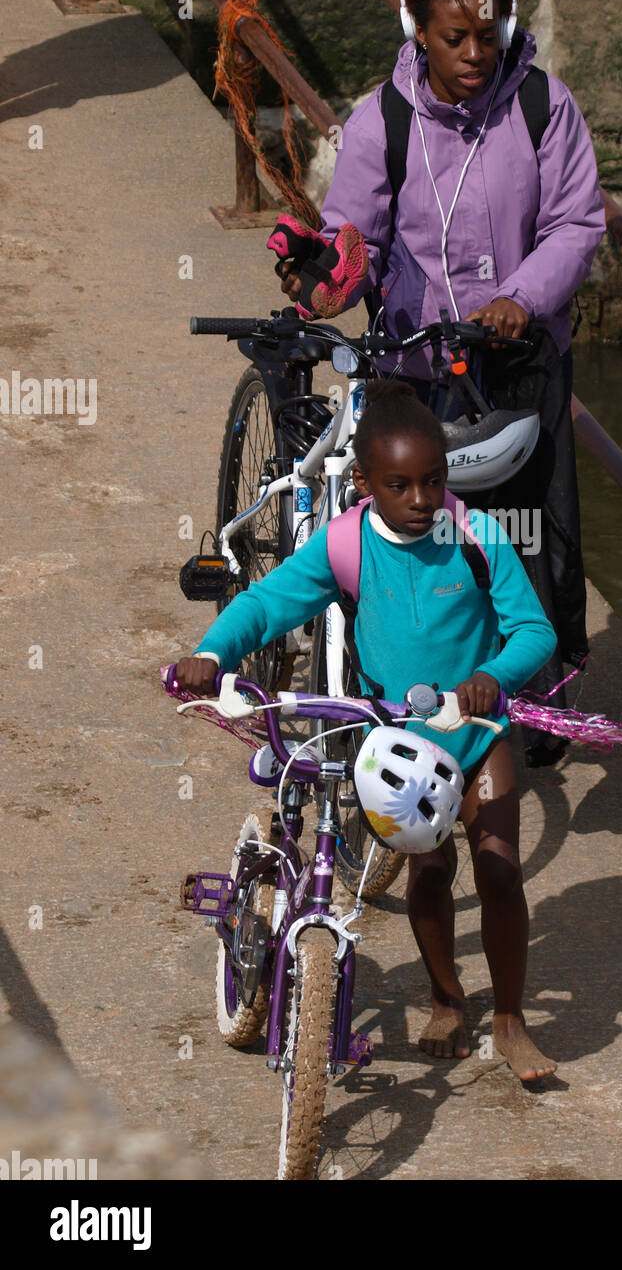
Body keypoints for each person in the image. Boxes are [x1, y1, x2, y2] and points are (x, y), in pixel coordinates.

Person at [276, 0, 606, 766]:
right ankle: (404, 688)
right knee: (420, 529)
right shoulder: (382, 119)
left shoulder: (541, 106)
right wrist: (330, 279)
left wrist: (520, 300)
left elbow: (575, 223)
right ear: (416, 33)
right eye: (452, 38)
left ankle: (530, 695)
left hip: (518, 358)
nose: (472, 54)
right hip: (413, 360)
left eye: (486, 36)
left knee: (532, 529)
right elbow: (356, 236)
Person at [173, 380, 560, 1080]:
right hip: (402, 741)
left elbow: (535, 629)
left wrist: (493, 677)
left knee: (499, 867)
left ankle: (509, 1019)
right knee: (430, 868)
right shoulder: (344, 543)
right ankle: (446, 999)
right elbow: (266, 604)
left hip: (477, 730)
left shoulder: (475, 533)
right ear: (363, 482)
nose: (421, 500)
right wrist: (210, 652)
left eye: (434, 481)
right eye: (399, 484)